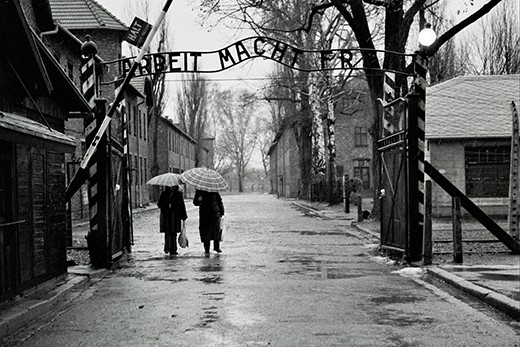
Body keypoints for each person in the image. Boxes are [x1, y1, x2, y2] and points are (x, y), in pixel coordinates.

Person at [158, 185, 187, 257]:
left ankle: (174, 249)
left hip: (175, 216)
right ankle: (167, 247)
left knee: (174, 233)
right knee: (167, 233)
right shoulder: (164, 194)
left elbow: (182, 205)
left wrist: (183, 215)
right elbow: (159, 204)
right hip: (166, 216)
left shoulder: (178, 194)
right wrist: (166, 203)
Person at [193, 189, 224, 254]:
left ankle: (216, 247)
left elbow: (219, 201)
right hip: (205, 214)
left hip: (214, 213)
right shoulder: (200, 191)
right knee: (206, 231)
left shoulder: (213, 189)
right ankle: (207, 249)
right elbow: (195, 203)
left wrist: (221, 211)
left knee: (215, 230)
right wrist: (199, 200)